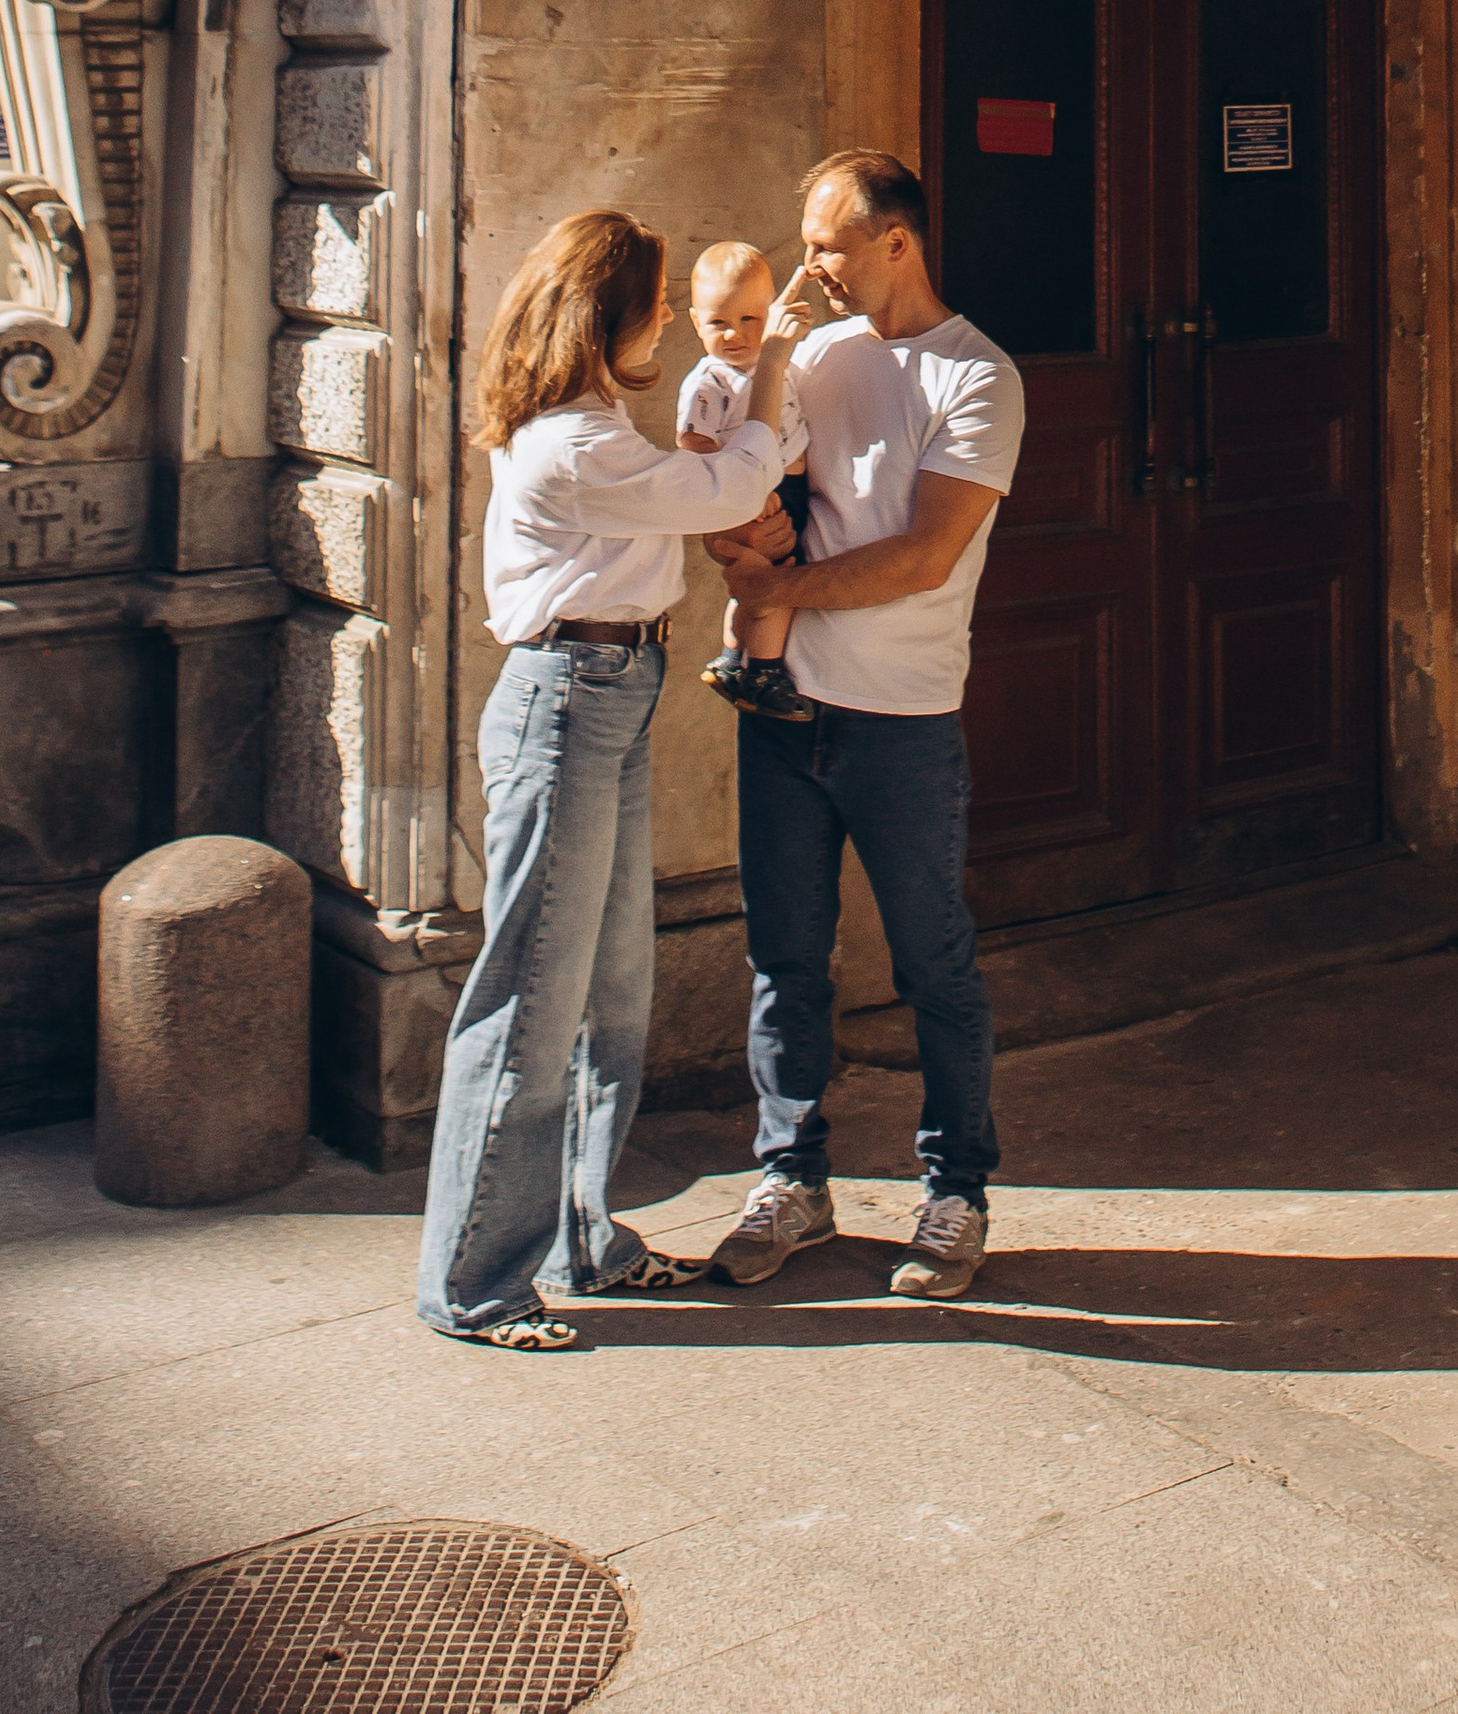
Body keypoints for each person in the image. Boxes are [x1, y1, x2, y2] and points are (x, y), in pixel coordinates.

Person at [414, 208, 797, 1349]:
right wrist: (770, 356)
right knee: (533, 992)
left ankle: (587, 1237)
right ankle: (475, 1283)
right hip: (569, 700)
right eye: (659, 296)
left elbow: (702, 486)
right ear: (609, 313)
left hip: (612, 690)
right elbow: (731, 488)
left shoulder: (595, 421)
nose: (673, 314)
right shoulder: (572, 445)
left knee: (610, 992)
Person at [700, 149, 1023, 1304]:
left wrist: (776, 595)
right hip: (784, 711)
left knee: (934, 961)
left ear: (898, 240)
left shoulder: (977, 377)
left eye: (829, 242)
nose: (811, 263)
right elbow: (733, 484)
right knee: (784, 959)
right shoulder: (816, 354)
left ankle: (956, 1192)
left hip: (903, 718)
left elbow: (925, 554)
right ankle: (791, 1177)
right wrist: (738, 549)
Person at [680, 238, 811, 720]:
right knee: (779, 580)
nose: (733, 334)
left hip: (786, 488)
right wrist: (742, 498)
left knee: (752, 580)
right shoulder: (710, 382)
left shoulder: (777, 363)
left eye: (748, 320)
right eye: (718, 323)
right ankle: (766, 670)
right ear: (697, 322)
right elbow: (694, 443)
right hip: (761, 496)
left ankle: (733, 659)